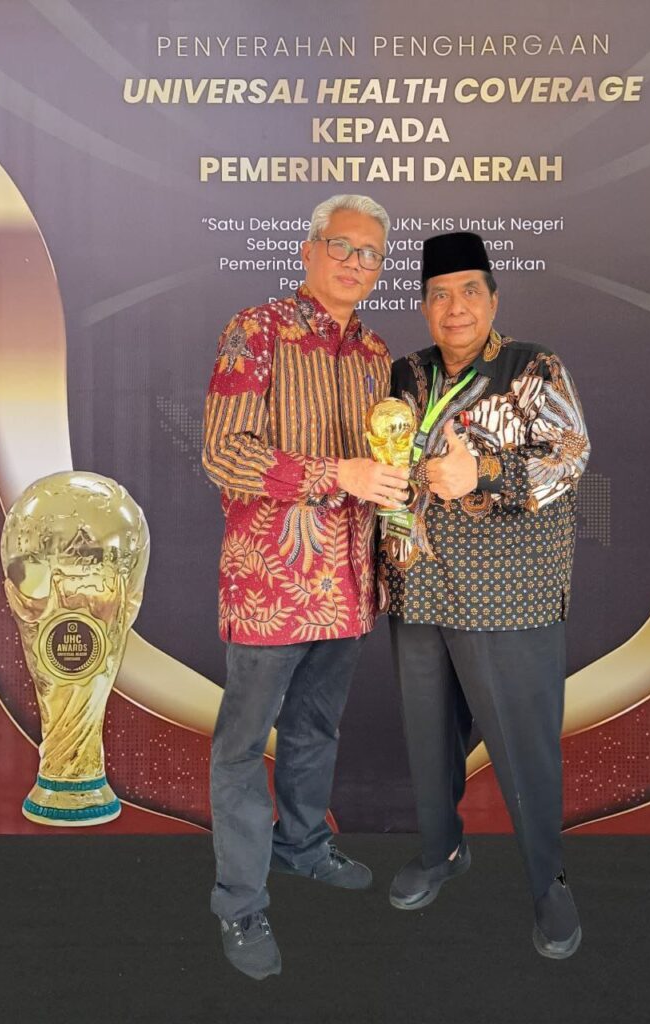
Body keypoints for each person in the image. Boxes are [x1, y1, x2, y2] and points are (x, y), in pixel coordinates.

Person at [202, 194, 408, 980]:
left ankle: (303, 846)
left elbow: (382, 466)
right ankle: (240, 901)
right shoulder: (255, 331)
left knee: (316, 732)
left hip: (348, 586)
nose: (356, 263)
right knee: (241, 748)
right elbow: (226, 453)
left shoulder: (375, 353)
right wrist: (337, 474)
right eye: (342, 246)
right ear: (309, 250)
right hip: (271, 587)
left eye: (370, 254)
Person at [379, 231, 590, 959]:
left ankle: (547, 883)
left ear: (493, 300)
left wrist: (486, 473)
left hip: (510, 595)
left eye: (469, 291)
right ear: (423, 307)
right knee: (428, 737)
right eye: (439, 295)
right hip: (419, 586)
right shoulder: (405, 374)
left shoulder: (532, 366)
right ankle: (440, 849)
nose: (455, 307)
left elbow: (570, 456)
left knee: (523, 747)